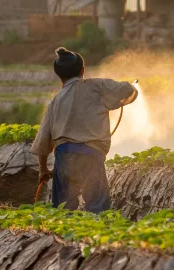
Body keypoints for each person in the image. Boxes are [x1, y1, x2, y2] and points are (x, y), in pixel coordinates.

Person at [31, 47, 137, 213]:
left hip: (64, 156)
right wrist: (132, 87)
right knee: (97, 206)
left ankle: (63, 237)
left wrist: (43, 169)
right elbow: (129, 91)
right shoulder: (96, 86)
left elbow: (43, 140)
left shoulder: (55, 101)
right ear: (82, 70)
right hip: (91, 155)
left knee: (63, 208)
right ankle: (95, 236)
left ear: (60, 76)